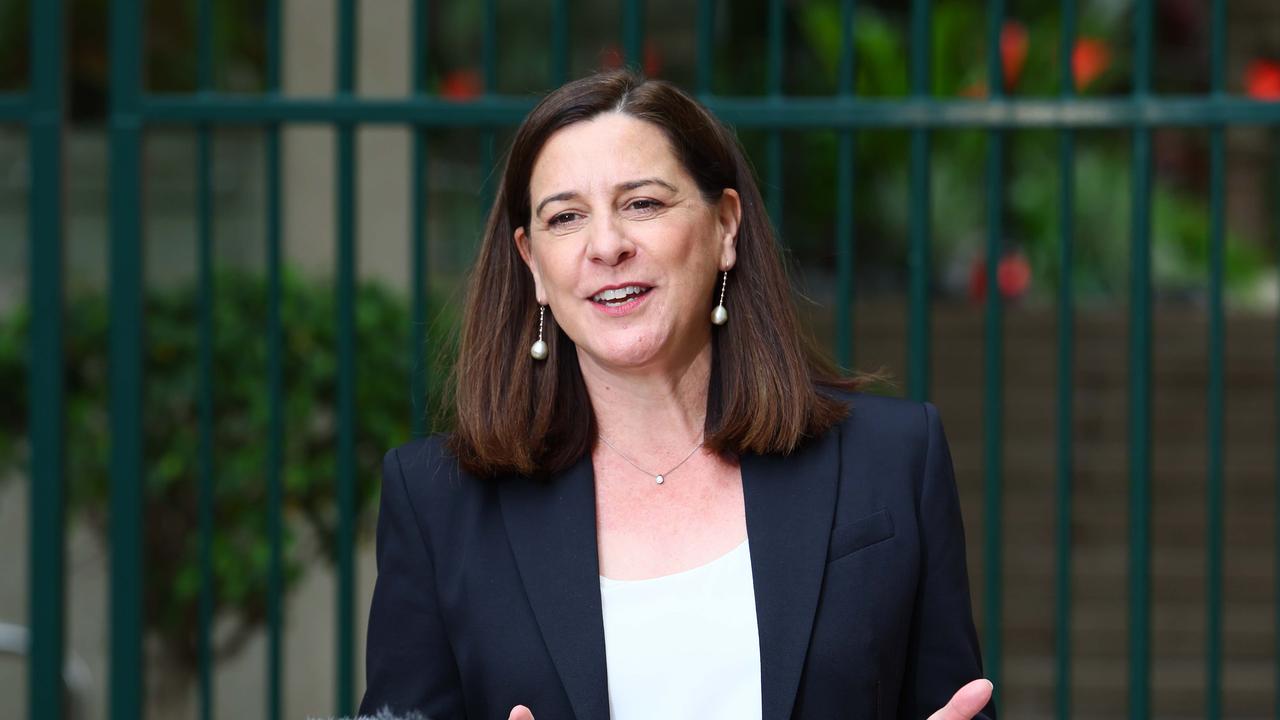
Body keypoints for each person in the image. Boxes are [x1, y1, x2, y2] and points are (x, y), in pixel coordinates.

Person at [357, 69, 996, 720]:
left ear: (725, 226)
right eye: (566, 217)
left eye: (643, 204)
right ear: (533, 264)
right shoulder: (438, 505)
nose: (606, 246)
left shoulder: (891, 459)